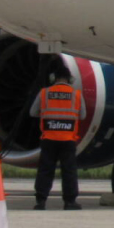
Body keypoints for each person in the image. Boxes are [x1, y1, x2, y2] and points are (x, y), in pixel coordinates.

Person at [29, 64, 87, 210]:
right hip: (67, 139)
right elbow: (83, 115)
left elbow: (32, 112)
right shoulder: (76, 94)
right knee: (69, 171)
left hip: (49, 138)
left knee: (45, 170)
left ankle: (41, 200)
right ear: (70, 79)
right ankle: (69, 201)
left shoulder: (45, 93)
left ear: (53, 78)